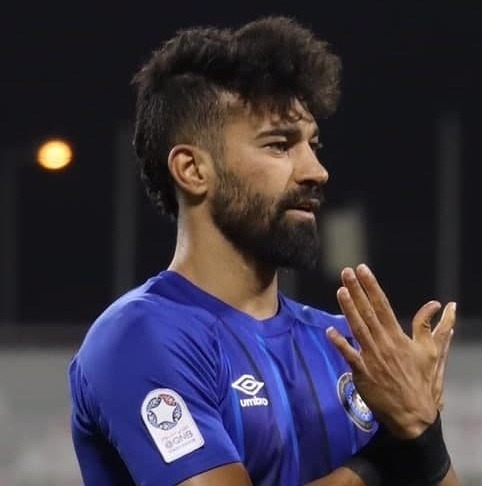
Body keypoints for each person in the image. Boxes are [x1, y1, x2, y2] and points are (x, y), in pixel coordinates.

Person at [68, 15, 458, 486]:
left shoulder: (348, 347)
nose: (316, 171)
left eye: (313, 145)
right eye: (279, 145)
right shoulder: (141, 337)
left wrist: (425, 438)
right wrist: (391, 453)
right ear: (192, 170)